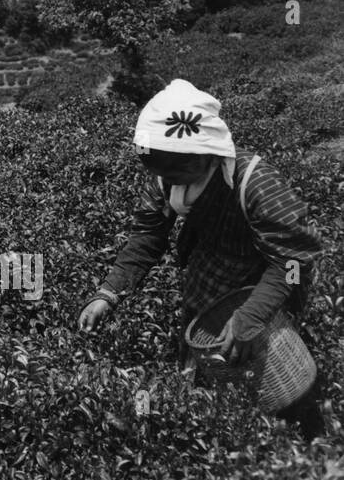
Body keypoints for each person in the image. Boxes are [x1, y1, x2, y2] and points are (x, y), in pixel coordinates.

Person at [78, 79, 325, 437]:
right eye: (161, 171)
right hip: (206, 286)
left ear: (206, 154)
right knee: (214, 392)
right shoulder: (166, 180)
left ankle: (307, 442)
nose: (167, 179)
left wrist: (253, 315)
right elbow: (147, 236)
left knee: (279, 387)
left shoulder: (256, 183)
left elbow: (292, 263)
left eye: (176, 170)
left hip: (264, 291)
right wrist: (108, 292)